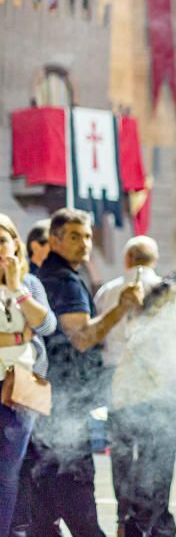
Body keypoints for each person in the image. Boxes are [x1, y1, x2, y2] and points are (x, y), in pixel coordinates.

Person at [32, 208, 142, 535]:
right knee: (78, 501)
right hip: (64, 406)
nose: (84, 244)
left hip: (44, 402)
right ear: (54, 239)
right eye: (75, 236)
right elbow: (82, 337)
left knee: (43, 507)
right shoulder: (65, 282)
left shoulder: (43, 276)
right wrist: (121, 308)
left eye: (88, 236)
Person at [94, 236, 164, 534]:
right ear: (154, 260)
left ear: (126, 260)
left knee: (121, 452)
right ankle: (145, 522)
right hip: (151, 380)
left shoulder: (108, 290)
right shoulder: (163, 289)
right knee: (149, 452)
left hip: (115, 376)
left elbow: (97, 327)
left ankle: (123, 519)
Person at [0, 214, 57, 536]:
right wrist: (19, 335)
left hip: (20, 387)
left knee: (7, 473)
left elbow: (48, 326)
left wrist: (15, 290)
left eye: (1, 241)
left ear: (15, 244)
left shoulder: (30, 283)